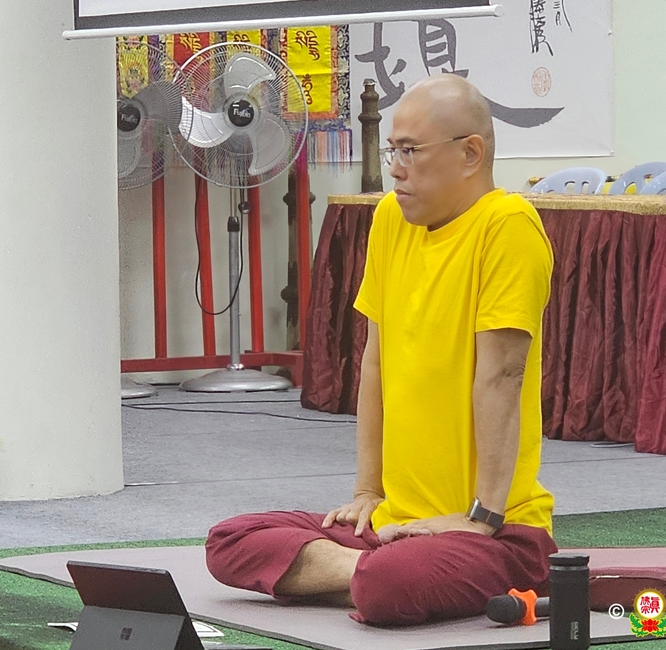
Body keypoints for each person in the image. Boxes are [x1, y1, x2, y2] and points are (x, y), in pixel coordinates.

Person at [205, 73, 556, 625]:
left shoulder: (507, 225)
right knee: (229, 541)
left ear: (470, 153)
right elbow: (375, 360)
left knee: (391, 583)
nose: (395, 168)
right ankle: (365, 574)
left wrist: (481, 517)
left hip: (496, 530)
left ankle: (368, 576)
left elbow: (501, 377)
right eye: (394, 151)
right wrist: (368, 490)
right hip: (395, 525)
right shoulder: (392, 218)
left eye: (410, 151)